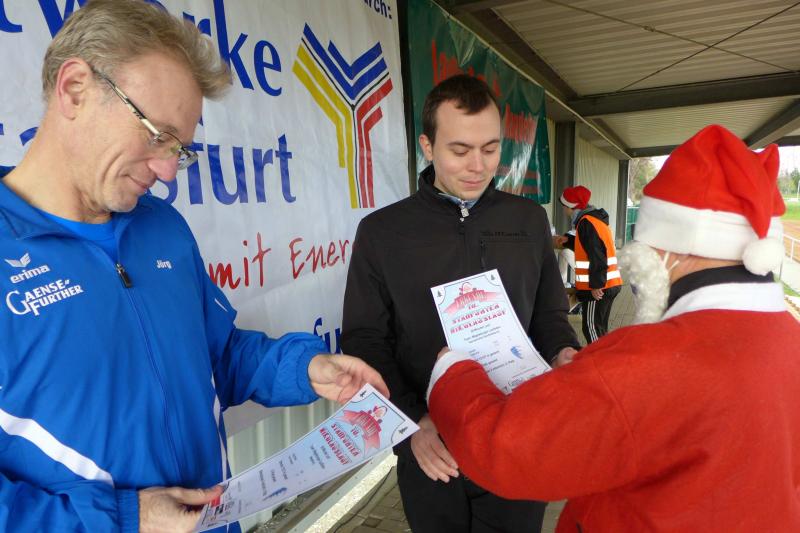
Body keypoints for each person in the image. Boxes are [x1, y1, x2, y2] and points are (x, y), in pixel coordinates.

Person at [0, 1, 387, 531]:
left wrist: (305, 369)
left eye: (178, 149)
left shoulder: (162, 227)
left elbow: (217, 356)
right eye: (156, 135)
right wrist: (125, 519)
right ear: (74, 89)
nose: (166, 172)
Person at [426, 124, 799, 531]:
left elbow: (506, 453)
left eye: (646, 242)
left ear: (674, 247)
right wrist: (592, 387)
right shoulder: (789, 337)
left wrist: (453, 374)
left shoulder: (651, 360)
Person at [341, 74, 580, 532]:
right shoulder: (383, 232)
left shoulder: (528, 220)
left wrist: (563, 352)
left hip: (516, 439)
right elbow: (365, 341)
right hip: (432, 447)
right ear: (428, 147)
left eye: (490, 149)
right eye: (459, 150)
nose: (477, 166)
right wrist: (412, 423)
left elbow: (549, 316)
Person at [553, 185, 622, 343]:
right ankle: (605, 356)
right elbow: (589, 246)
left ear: (571, 207)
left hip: (598, 288)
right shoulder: (594, 221)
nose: (563, 210)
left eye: (564, 206)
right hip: (610, 283)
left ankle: (600, 358)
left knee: (591, 328)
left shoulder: (586, 223)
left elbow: (597, 255)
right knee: (599, 328)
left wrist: (596, 286)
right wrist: (568, 241)